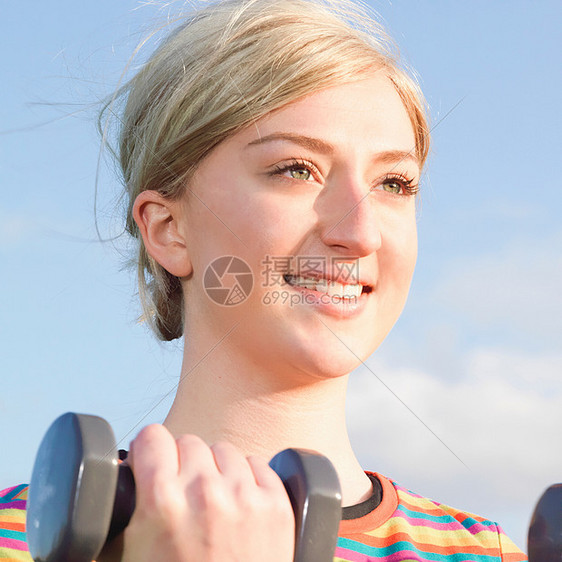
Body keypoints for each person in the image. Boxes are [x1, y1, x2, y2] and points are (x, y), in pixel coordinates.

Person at [0, 0, 528, 560]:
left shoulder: (490, 553)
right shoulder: (16, 537)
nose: (361, 232)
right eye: (296, 170)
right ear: (170, 229)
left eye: (394, 183)